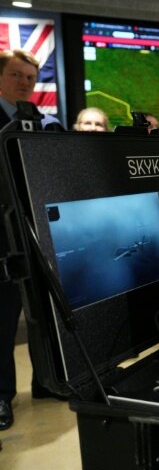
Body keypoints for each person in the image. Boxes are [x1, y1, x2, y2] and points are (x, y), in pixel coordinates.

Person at [0, 48, 64, 431]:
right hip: (1, 239)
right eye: (17, 75)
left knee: (43, 316)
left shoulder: (42, 123)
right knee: (4, 321)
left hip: (38, 235)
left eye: (30, 77)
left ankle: (46, 382)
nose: (25, 83)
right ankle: (2, 396)